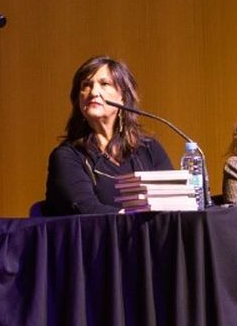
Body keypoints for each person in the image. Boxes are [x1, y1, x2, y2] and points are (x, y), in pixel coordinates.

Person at [43, 56, 172, 215]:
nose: (94, 92)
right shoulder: (67, 157)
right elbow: (86, 210)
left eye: (104, 84)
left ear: (123, 98)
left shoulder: (149, 149)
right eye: (86, 85)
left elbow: (172, 202)